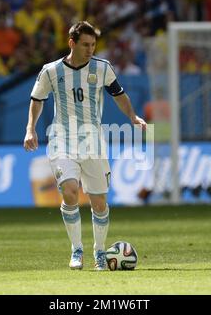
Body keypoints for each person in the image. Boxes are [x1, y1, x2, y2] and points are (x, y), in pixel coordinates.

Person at [23, 21, 147, 271]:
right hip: (62, 140)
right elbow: (37, 99)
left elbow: (119, 95)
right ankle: (76, 249)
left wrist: (132, 117)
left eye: (93, 45)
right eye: (86, 44)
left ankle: (100, 253)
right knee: (70, 191)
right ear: (72, 43)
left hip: (93, 141)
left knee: (99, 203)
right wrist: (30, 129)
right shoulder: (51, 71)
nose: (91, 49)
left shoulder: (103, 68)